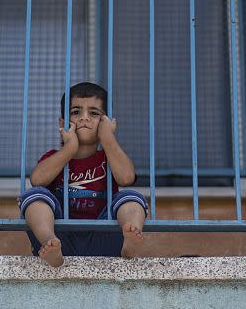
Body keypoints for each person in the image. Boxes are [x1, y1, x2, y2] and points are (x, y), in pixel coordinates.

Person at [18, 82, 148, 267]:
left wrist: (108, 138)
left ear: (106, 122)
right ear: (62, 123)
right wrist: (69, 148)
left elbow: (126, 178)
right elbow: (37, 180)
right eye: (75, 112)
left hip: (104, 237)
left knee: (131, 198)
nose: (84, 118)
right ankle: (49, 242)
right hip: (62, 236)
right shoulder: (53, 158)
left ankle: (130, 240)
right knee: (34, 196)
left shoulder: (109, 158)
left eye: (94, 113)